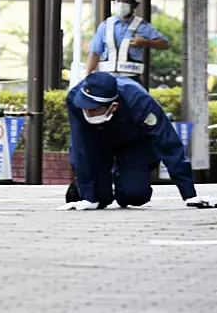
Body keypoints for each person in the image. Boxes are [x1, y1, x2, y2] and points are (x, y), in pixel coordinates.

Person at [62, 71, 215, 211]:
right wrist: (89, 196)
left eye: (93, 109)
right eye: (84, 106)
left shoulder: (139, 101)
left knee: (135, 195)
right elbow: (81, 146)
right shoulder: (74, 100)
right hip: (97, 142)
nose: (86, 111)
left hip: (133, 144)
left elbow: (168, 144)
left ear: (113, 107)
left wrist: (189, 194)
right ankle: (84, 187)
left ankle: (121, 179)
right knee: (100, 201)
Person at [86, 0, 169, 80]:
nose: (121, 4)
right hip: (107, 79)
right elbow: (95, 53)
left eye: (125, 1)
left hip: (131, 79)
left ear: (135, 4)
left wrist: (145, 42)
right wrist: (87, 76)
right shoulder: (105, 26)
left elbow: (164, 44)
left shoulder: (142, 26)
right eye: (118, 0)